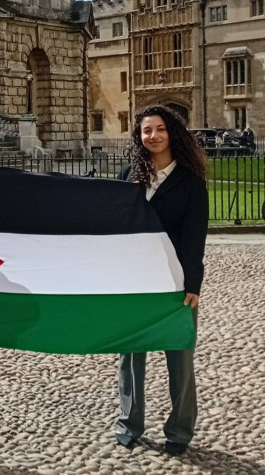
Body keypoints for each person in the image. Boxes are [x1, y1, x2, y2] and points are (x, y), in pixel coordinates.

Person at [115, 105, 208, 456]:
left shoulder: (191, 180)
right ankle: (129, 423)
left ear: (173, 133)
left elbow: (195, 235)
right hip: (135, 281)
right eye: (146, 131)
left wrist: (193, 284)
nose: (152, 136)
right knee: (130, 356)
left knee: (179, 357)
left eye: (160, 129)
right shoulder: (130, 174)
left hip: (174, 281)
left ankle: (179, 431)